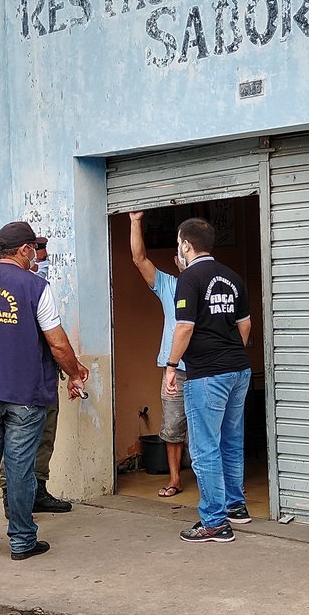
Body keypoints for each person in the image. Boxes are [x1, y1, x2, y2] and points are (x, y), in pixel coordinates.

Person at [0, 221, 88, 560]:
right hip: (26, 395)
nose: (35, 255)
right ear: (25, 250)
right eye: (34, 249)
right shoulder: (36, 286)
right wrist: (75, 373)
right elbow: (57, 344)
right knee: (19, 468)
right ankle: (21, 540)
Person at [164, 217, 252, 543]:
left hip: (207, 375)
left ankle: (214, 522)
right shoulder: (232, 277)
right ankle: (236, 507)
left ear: (186, 245)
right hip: (238, 370)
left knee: (204, 448)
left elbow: (184, 327)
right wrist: (228, 354)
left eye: (178, 243)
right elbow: (245, 326)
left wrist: (171, 365)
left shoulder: (188, 278)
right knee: (230, 440)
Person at [0, 235, 71, 517]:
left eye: (45, 254)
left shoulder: (42, 285)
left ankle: (38, 490)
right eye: (39, 254)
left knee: (46, 433)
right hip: (20, 378)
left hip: (45, 372)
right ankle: (11, 497)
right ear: (26, 252)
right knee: (15, 441)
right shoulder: (15, 285)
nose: (42, 259)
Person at [129, 211, 188, 498]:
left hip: (206, 369)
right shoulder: (169, 285)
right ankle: (175, 479)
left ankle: (213, 484)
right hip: (173, 370)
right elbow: (139, 259)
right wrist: (135, 221)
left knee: (207, 430)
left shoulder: (211, 284)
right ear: (177, 261)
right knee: (173, 427)